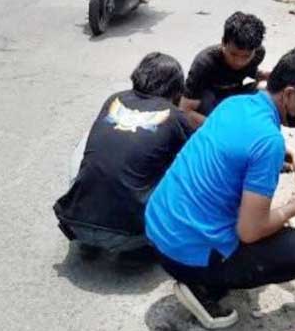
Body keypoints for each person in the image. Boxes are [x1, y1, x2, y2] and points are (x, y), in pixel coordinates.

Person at [145, 47, 295, 330]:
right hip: (183, 254)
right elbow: (250, 231)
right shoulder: (269, 142)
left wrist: (292, 156)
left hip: (158, 229)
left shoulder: (236, 104)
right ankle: (203, 288)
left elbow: (243, 144)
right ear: (290, 94)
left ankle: (204, 271)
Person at [53, 53, 192, 259]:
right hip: (132, 236)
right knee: (182, 169)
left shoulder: (114, 99)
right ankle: (138, 248)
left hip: (76, 224)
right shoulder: (176, 117)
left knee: (94, 142)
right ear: (176, 87)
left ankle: (91, 232)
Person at [179, 12, 269, 129]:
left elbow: (248, 71)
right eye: (233, 54)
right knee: (205, 99)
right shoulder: (204, 62)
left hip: (234, 96)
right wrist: (222, 129)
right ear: (223, 42)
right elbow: (185, 111)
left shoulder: (258, 54)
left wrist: (260, 74)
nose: (239, 62)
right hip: (210, 102)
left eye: (246, 56)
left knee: (266, 89)